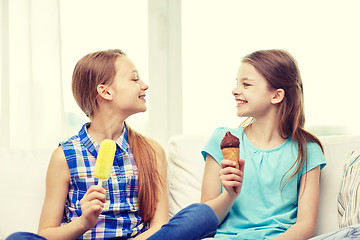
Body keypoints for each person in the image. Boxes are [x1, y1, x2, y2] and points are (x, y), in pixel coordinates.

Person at [6, 49, 218, 240]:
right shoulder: (65, 156)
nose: (144, 85)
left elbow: (159, 227)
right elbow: (46, 233)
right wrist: (83, 222)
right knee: (18, 238)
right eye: (134, 79)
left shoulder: (152, 151)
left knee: (203, 214)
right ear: (105, 91)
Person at [200, 49, 326, 239]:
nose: (235, 91)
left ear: (276, 96)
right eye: (237, 83)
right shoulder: (222, 140)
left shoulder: (307, 150)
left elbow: (306, 224)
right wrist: (229, 195)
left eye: (246, 84)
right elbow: (204, 221)